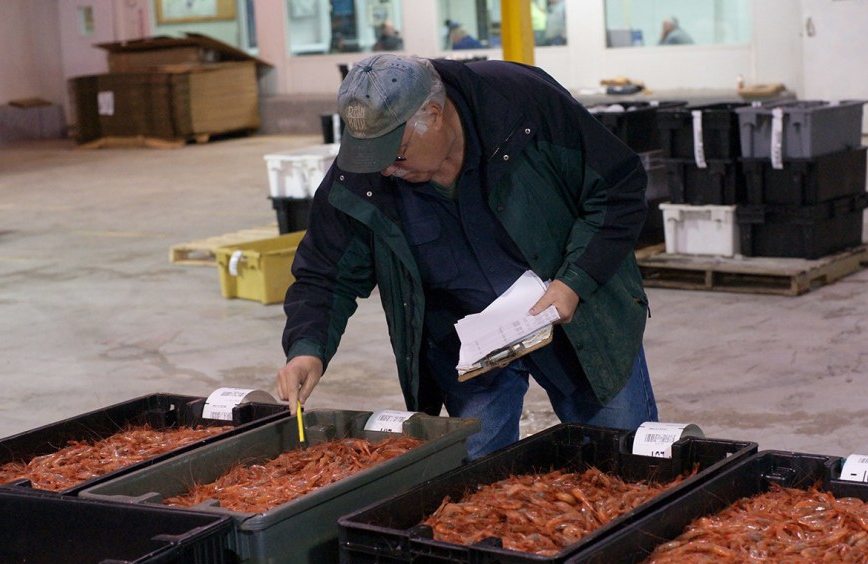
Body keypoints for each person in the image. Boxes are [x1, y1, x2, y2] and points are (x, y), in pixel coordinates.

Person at [276, 54, 658, 459]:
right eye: (374, 157)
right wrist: (307, 348)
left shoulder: (521, 106)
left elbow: (618, 188)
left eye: (398, 152)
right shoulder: (366, 166)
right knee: (469, 478)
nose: (385, 169)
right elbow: (325, 271)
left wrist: (574, 282)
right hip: (468, 345)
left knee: (623, 459)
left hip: (576, 316)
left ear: (434, 115)